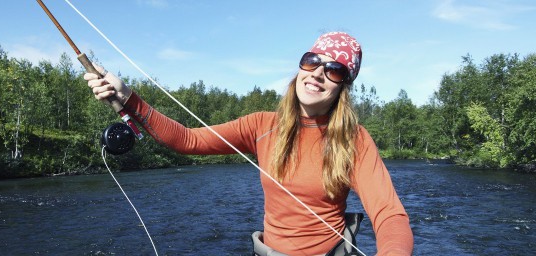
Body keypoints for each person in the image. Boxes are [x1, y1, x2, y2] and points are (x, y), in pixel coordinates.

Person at [84, 32, 414, 255]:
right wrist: (126, 96)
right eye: (312, 61)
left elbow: (389, 215)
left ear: (344, 85)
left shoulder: (353, 139)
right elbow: (187, 139)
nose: (317, 74)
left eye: (334, 70)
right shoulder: (261, 125)